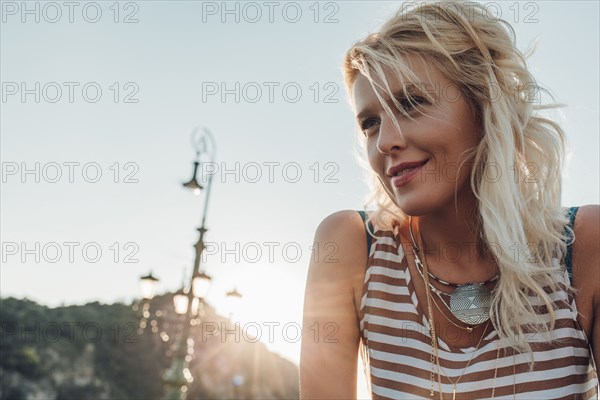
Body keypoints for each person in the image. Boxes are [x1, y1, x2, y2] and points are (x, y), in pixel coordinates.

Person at [299, 1, 599, 399]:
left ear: (483, 106)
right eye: (370, 123)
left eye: (411, 104)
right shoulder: (353, 246)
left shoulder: (582, 247)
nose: (386, 140)